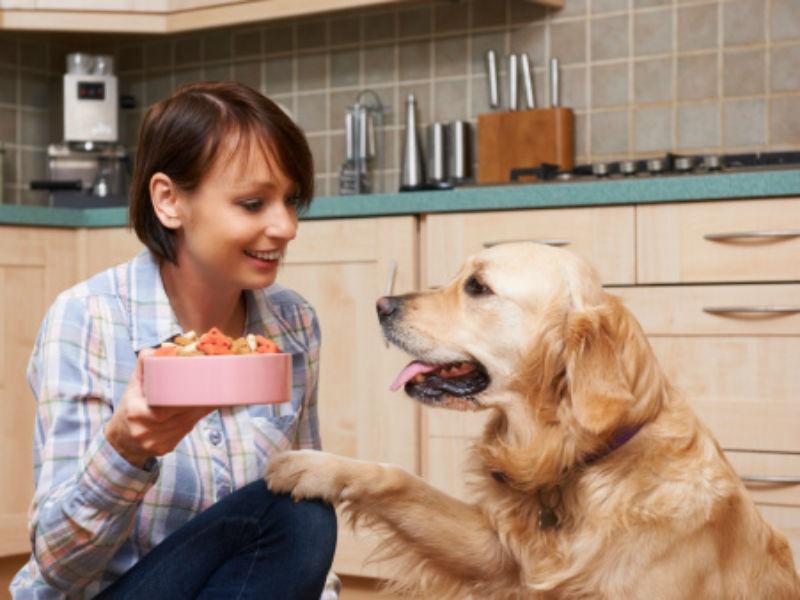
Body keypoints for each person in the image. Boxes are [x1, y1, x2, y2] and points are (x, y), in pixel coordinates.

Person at [10, 81, 337, 599]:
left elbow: (289, 548)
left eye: (291, 200)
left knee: (306, 504)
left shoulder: (293, 324)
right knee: (297, 513)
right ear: (168, 200)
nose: (287, 226)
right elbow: (57, 569)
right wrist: (125, 451)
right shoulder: (89, 318)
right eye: (253, 203)